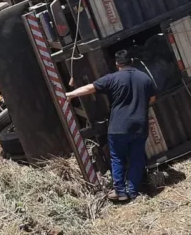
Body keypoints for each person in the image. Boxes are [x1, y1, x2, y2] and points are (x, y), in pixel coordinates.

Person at [65, 50, 155, 201]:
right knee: (137, 158)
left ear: (117, 64)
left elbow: (89, 88)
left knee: (118, 158)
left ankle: (120, 191)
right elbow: (152, 99)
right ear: (132, 61)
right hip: (140, 126)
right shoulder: (144, 78)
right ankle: (133, 192)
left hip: (118, 127)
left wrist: (70, 94)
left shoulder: (112, 78)